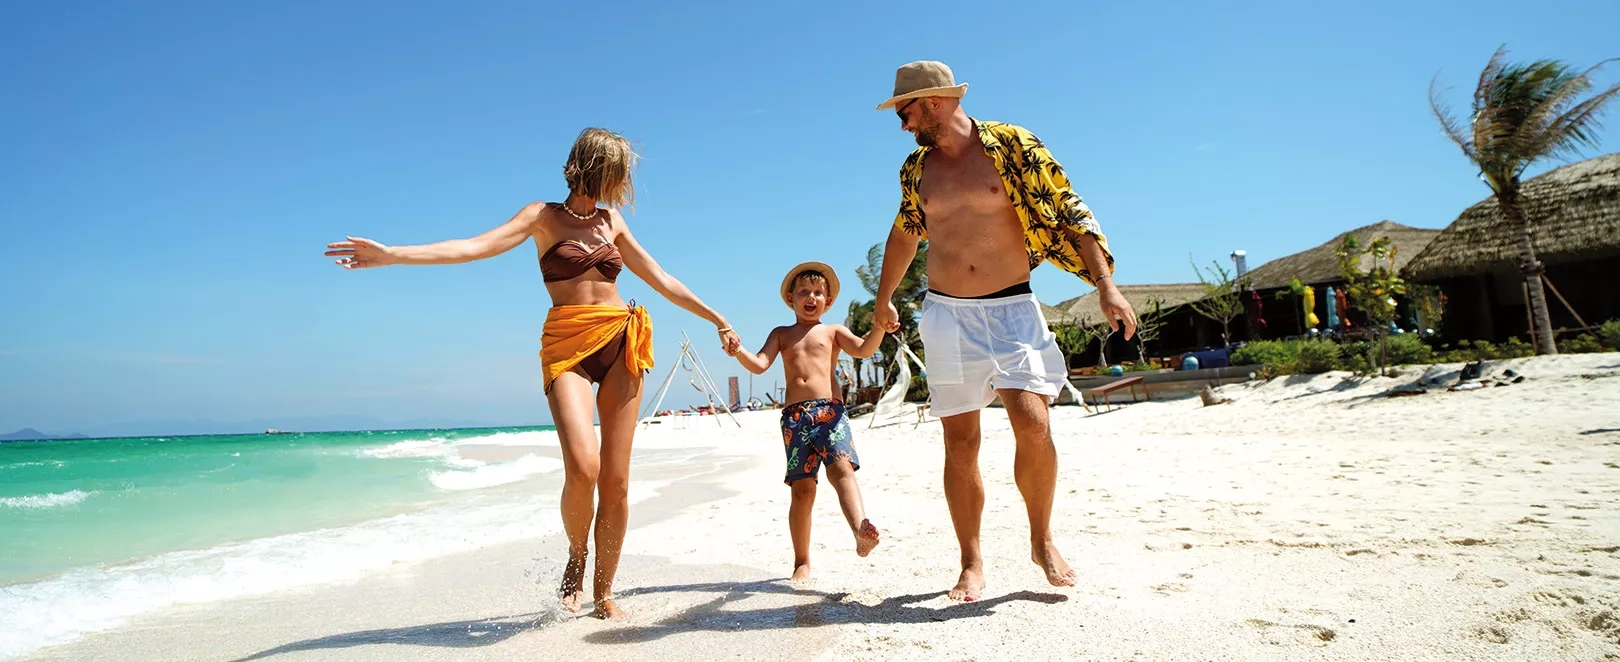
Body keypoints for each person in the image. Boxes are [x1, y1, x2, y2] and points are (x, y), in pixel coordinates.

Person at [323, 127, 741, 620]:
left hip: (619, 343)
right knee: (583, 468)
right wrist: (394, 254)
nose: (624, 182)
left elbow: (662, 278)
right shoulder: (542, 216)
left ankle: (604, 592)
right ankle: (577, 558)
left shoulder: (612, 222)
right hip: (566, 347)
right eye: (619, 171)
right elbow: (474, 246)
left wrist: (717, 318)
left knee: (617, 481)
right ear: (597, 168)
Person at [870, 61, 1138, 601]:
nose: (903, 125)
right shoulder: (916, 168)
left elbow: (1071, 211)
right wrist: (883, 298)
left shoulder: (1012, 145)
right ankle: (971, 562)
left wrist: (1106, 285)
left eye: (906, 112)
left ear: (935, 102)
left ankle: (1042, 540)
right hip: (947, 314)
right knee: (960, 441)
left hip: (1012, 307)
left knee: (1033, 421)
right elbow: (905, 232)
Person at [728, 262, 884, 581]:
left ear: (828, 300)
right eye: (804, 292)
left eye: (818, 293)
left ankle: (860, 530)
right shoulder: (781, 334)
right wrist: (737, 350)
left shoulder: (833, 332)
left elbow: (864, 349)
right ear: (791, 298)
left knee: (841, 470)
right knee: (802, 490)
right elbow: (759, 364)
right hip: (795, 419)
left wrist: (880, 327)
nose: (811, 297)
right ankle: (801, 561)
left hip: (829, 413)